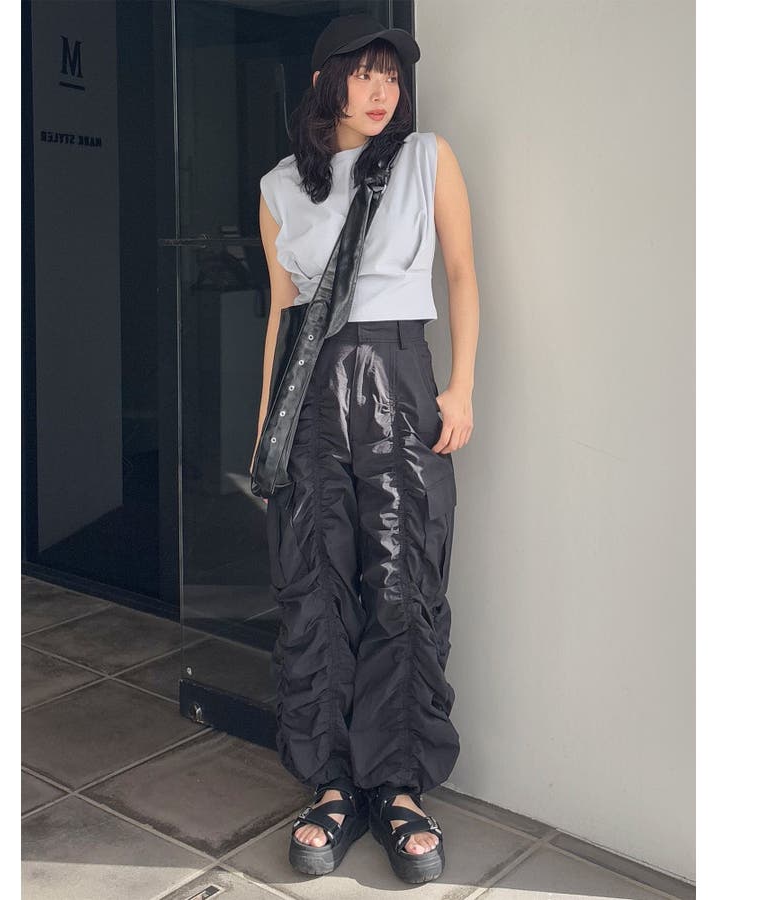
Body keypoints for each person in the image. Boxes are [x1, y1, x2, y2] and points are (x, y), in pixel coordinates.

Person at [252, 14, 479, 885]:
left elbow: (461, 273)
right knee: (314, 583)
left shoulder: (425, 159)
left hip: (401, 375)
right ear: (325, 84)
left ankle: (400, 786)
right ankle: (332, 785)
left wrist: (461, 386)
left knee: (402, 579)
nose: (384, 91)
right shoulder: (280, 187)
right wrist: (265, 424)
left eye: (393, 75)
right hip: (311, 395)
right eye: (365, 74)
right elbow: (283, 314)